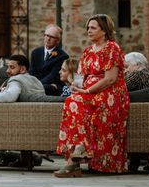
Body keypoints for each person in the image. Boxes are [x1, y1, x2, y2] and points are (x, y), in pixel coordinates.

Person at [55, 14, 130, 177]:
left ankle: (77, 155)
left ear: (104, 31)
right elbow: (82, 77)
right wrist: (76, 86)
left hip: (110, 93)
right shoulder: (88, 51)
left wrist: (87, 91)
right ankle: (75, 155)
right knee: (71, 100)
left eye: (93, 27)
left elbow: (110, 79)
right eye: (88, 27)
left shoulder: (112, 48)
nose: (88, 30)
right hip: (88, 92)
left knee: (75, 101)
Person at [29, 25, 70, 95]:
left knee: (48, 88)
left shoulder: (62, 56)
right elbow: (32, 72)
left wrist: (36, 85)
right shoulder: (35, 52)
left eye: (52, 37)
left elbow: (53, 76)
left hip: (51, 87)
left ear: (57, 41)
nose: (48, 39)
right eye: (47, 35)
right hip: (35, 85)